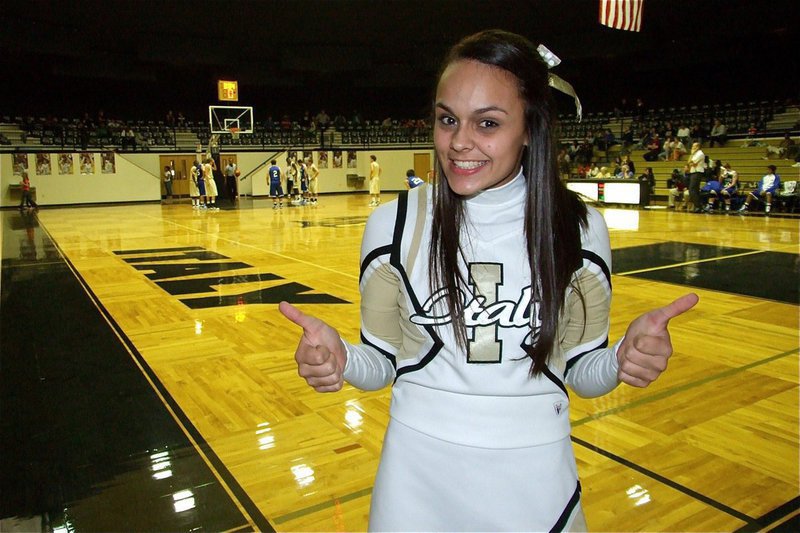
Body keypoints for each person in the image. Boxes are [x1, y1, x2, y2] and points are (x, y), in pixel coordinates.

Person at [279, 29, 698, 532]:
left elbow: (582, 370)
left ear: (529, 128)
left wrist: (621, 361)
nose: (459, 142)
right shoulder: (394, 224)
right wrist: (344, 359)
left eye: (488, 123)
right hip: (415, 480)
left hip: (535, 481)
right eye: (447, 119)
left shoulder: (579, 227)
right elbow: (384, 361)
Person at [687, 142, 706, 212]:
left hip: (697, 172)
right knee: (696, 190)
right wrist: (691, 157)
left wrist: (691, 156)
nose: (692, 147)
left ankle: (698, 205)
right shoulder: (695, 154)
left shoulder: (700, 154)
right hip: (694, 172)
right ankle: (698, 206)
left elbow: (693, 163)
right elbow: (689, 162)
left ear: (698, 147)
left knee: (692, 189)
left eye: (693, 146)